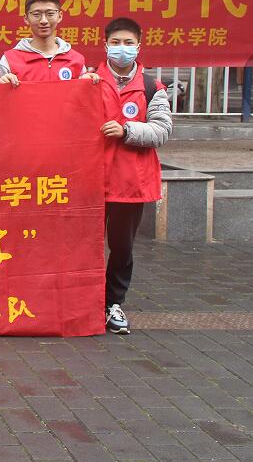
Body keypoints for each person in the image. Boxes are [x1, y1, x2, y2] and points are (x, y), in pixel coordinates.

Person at [94, 17, 172, 335]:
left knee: (122, 247)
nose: (122, 48)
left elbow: (162, 130)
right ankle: (84, 300)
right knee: (85, 245)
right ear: (105, 45)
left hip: (130, 183)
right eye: (116, 42)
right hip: (92, 180)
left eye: (128, 43)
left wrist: (127, 130)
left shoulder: (152, 87)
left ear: (139, 46)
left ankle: (113, 303)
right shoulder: (89, 81)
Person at [0, 0, 87, 84]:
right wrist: (1, 86)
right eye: (36, 14)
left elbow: (83, 92)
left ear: (60, 16)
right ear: (26, 18)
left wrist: (90, 82)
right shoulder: (10, 60)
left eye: (50, 14)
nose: (44, 21)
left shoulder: (76, 59)